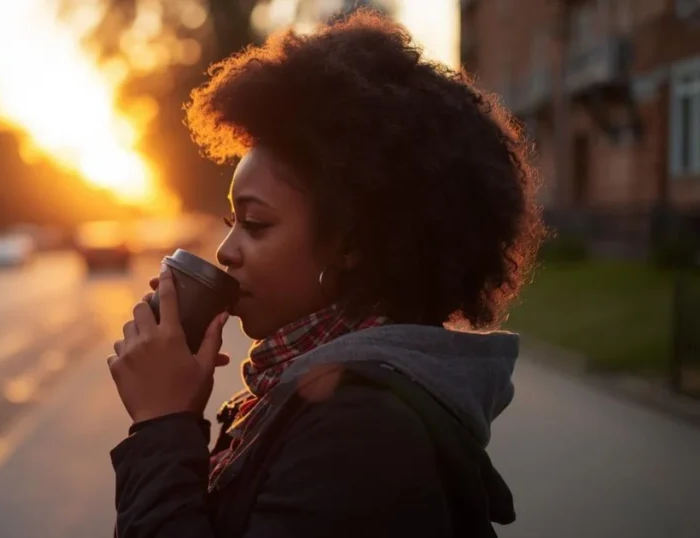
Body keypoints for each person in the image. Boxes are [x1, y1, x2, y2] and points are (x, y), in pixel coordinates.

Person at [106, 9, 543, 538]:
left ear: (351, 243)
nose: (225, 252)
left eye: (256, 223)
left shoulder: (361, 432)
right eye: (230, 222)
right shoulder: (306, 398)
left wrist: (161, 426)